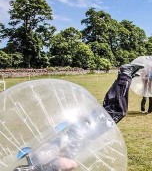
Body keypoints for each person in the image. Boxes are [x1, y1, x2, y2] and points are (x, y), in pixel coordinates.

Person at [14, 63, 144, 171]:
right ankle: (124, 77)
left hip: (80, 134)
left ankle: (125, 75)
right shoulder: (34, 159)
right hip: (75, 131)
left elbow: (70, 164)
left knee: (116, 111)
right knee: (108, 109)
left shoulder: (42, 166)